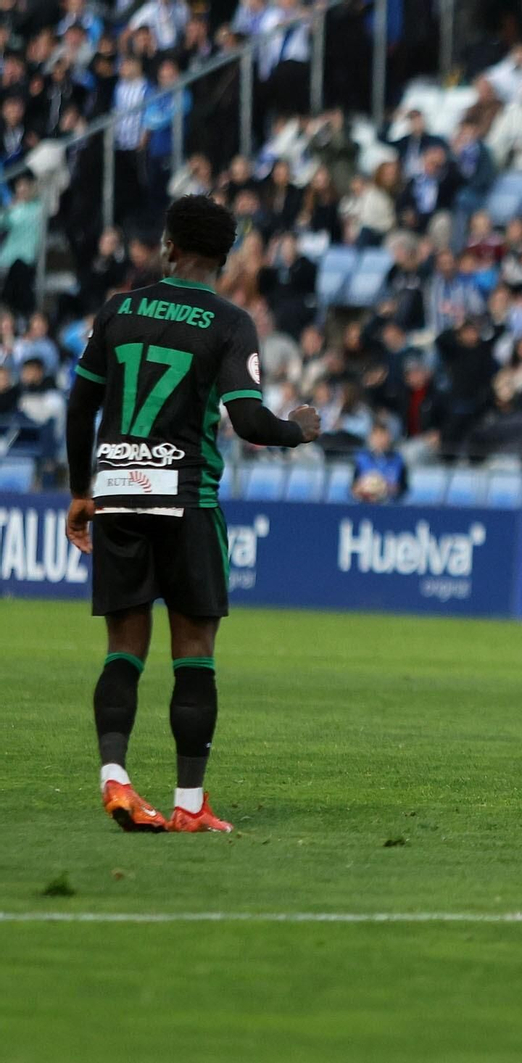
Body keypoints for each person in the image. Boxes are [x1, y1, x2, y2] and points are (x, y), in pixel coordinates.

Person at [63, 196, 321, 835]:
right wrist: (299, 430)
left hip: (118, 490)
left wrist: (80, 492)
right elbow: (251, 421)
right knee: (194, 652)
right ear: (226, 261)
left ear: (169, 248)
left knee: (123, 648)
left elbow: (77, 408)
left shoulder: (118, 308)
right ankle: (188, 803)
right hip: (185, 498)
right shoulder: (230, 322)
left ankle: (116, 778)